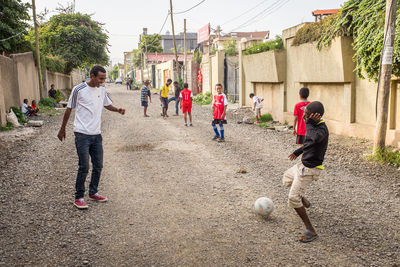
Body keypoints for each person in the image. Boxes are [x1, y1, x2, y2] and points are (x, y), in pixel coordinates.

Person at [57, 65, 125, 209]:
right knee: (84, 166)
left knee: (98, 165)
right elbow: (69, 109)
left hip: (96, 134)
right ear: (92, 76)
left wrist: (117, 109)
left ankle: (93, 192)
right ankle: (79, 197)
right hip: (81, 134)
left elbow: (107, 105)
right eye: (100, 78)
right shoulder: (78, 89)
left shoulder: (102, 89)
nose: (102, 81)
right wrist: (62, 129)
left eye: (104, 79)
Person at [284, 101, 328, 243]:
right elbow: (309, 143)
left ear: (317, 116)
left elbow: (314, 138)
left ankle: (311, 230)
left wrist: (309, 123)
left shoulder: (321, 129)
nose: (304, 117)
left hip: (309, 169)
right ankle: (304, 200)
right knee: (286, 179)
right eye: (304, 114)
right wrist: (297, 152)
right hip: (301, 165)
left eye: (307, 115)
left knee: (293, 198)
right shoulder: (313, 126)